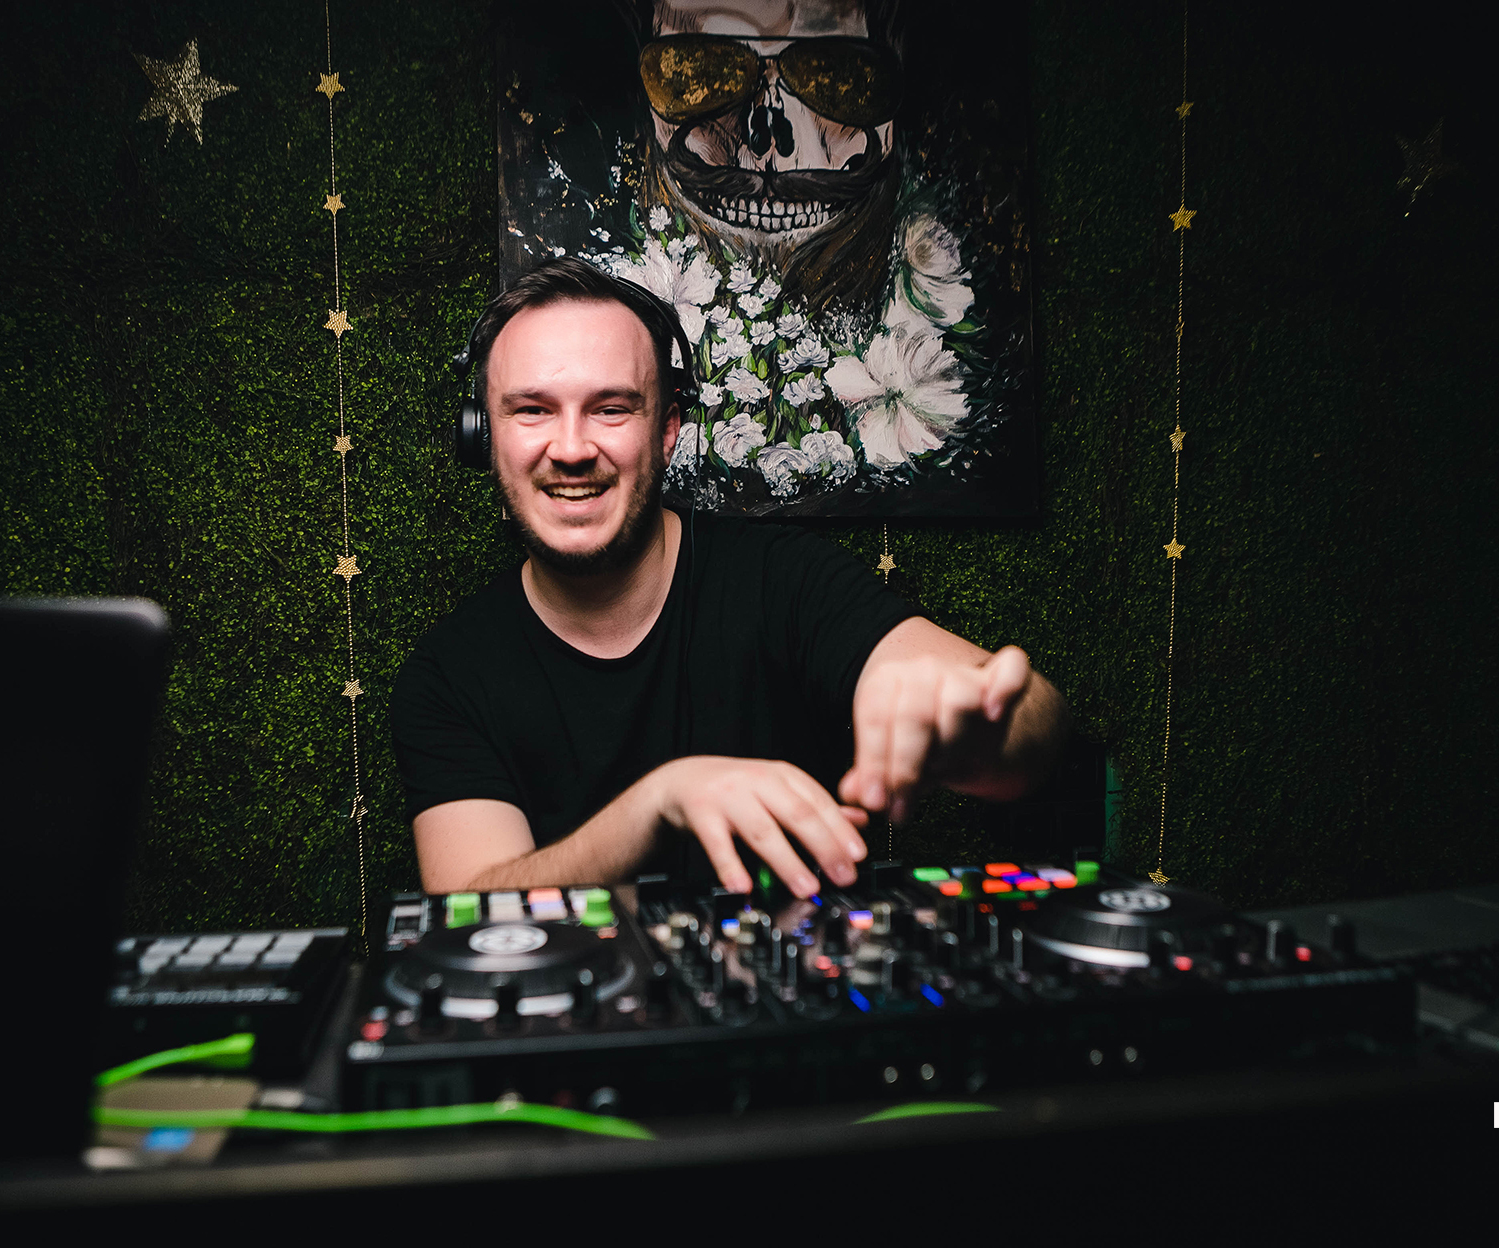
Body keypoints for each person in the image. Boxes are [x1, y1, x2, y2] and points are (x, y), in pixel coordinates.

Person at [391, 258, 1068, 898]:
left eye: (612, 408)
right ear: (483, 436)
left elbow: (1034, 723)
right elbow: (468, 906)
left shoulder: (786, 581)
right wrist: (657, 803)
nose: (571, 449)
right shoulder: (449, 673)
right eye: (532, 410)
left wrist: (978, 730)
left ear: (666, 432)